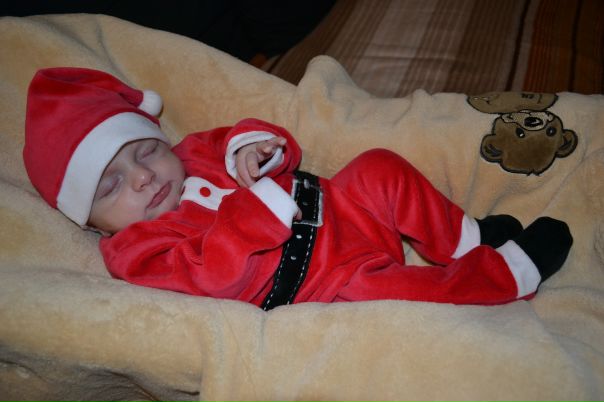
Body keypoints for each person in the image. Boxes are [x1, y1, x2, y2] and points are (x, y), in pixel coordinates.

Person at [23, 67, 573, 310]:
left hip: (340, 202)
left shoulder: (193, 153)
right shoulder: (134, 251)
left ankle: (466, 238)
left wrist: (256, 148)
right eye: (111, 184)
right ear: (90, 222)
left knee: (379, 167)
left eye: (145, 150)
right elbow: (209, 275)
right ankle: (509, 273)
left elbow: (253, 139)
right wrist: (254, 213)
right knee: (409, 294)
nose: (143, 176)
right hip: (324, 279)